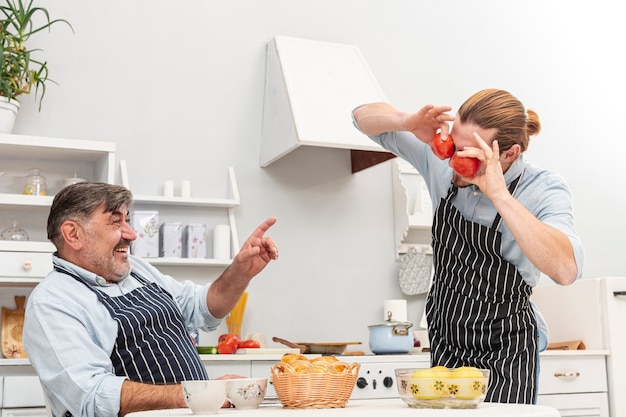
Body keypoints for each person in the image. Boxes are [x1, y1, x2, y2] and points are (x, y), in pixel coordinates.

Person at [352, 88, 583, 404]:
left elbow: (566, 270)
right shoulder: (442, 161)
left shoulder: (543, 189)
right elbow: (360, 117)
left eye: (467, 153)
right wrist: (407, 121)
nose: (452, 159)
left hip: (506, 346)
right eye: (453, 147)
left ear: (509, 154)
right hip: (447, 339)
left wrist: (500, 196)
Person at [23, 182, 279, 417]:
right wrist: (197, 394)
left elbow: (201, 308)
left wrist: (240, 272)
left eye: (128, 220)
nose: (131, 234)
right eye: (115, 222)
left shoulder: (136, 269)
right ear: (73, 234)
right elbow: (94, 395)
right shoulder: (52, 302)